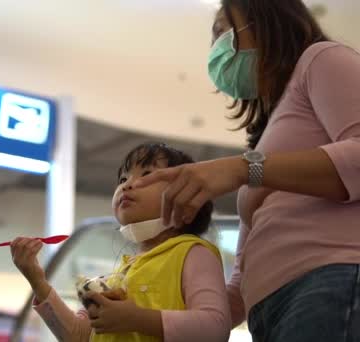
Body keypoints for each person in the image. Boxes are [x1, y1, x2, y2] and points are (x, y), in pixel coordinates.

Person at [135, 1, 360, 341]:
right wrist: (148, 312)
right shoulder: (269, 135)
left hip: (330, 284)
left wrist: (243, 170)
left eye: (224, 30)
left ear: (267, 20)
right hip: (273, 311)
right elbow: (240, 282)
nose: (216, 47)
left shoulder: (323, 59)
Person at [9, 143, 231, 342]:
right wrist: (36, 279)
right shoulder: (123, 272)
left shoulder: (193, 253)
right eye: (123, 179)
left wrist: (137, 319)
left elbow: (215, 328)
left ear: (186, 195)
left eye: (146, 175)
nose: (127, 185)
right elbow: (78, 335)